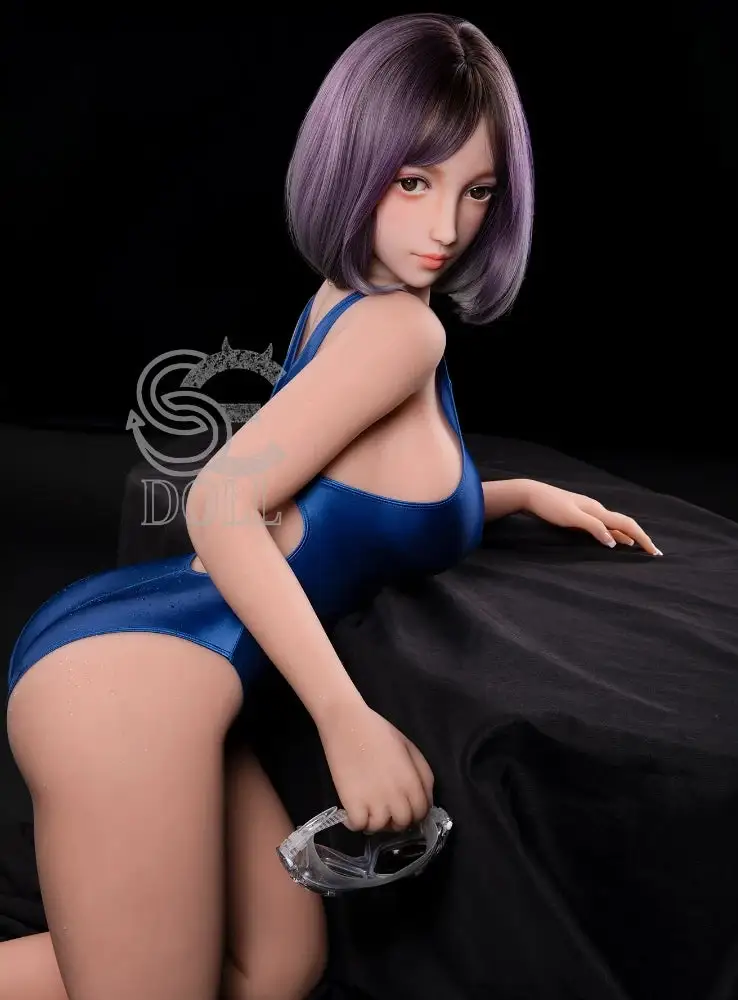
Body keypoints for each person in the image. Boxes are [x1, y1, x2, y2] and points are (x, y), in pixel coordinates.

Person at [1, 13, 661, 1000]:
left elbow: (355, 498)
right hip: (138, 680)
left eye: (477, 190)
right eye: (415, 182)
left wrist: (521, 495)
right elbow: (223, 500)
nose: (446, 228)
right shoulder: (398, 333)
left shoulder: (351, 303)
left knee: (275, 967)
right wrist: (346, 719)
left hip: (159, 649)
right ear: (355, 164)